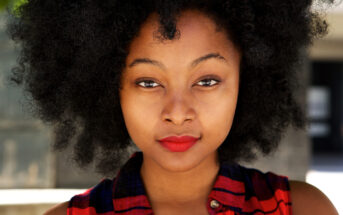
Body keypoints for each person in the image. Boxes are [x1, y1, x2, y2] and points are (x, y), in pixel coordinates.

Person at [5, 0, 338, 214]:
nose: (178, 112)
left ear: (247, 80)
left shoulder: (303, 209)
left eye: (206, 81)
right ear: (109, 87)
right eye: (148, 82)